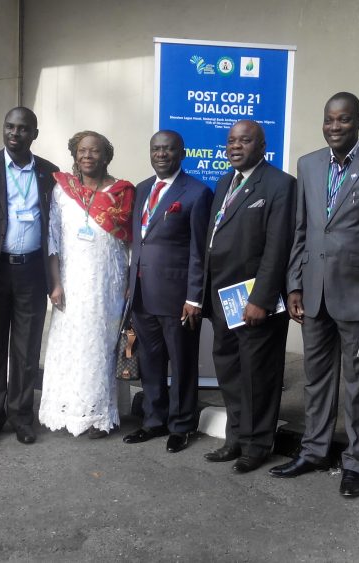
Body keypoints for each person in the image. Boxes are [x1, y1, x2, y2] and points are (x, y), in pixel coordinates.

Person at [274, 92, 359, 498]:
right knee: (316, 379)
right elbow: (301, 229)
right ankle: (313, 450)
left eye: (344, 120)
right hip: (314, 292)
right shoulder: (308, 165)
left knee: (357, 383)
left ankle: (356, 461)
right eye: (329, 119)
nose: (335, 127)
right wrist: (294, 283)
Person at [202, 120, 296, 473]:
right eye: (231, 140)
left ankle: (258, 445)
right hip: (222, 299)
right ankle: (236, 437)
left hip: (255, 301)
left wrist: (261, 297)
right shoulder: (225, 182)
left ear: (262, 145)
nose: (236, 146)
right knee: (229, 370)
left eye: (245, 140)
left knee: (259, 374)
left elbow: (278, 247)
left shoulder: (280, 184)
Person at [0, 107, 59, 446]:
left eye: (22, 128)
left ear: (34, 133)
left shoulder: (49, 172)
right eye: (9, 127)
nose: (14, 133)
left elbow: (54, 224)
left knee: (26, 348)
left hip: (31, 271)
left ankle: (21, 415)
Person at [39, 131, 135, 438]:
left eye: (95, 151)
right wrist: (54, 283)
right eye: (82, 150)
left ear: (106, 156)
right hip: (71, 281)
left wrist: (130, 282)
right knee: (73, 344)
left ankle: (99, 414)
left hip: (109, 283)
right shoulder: (62, 191)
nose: (88, 156)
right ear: (74, 154)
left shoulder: (122, 193)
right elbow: (52, 237)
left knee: (102, 345)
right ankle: (67, 407)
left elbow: (134, 243)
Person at [122, 130, 213, 453]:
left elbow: (199, 251)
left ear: (181, 153)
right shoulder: (143, 189)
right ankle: (153, 421)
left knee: (183, 362)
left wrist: (194, 297)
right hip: (143, 294)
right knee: (150, 361)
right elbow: (140, 242)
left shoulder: (197, 193)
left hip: (178, 298)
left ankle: (181, 425)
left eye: (168, 149)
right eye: (156, 149)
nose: (162, 154)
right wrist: (130, 287)